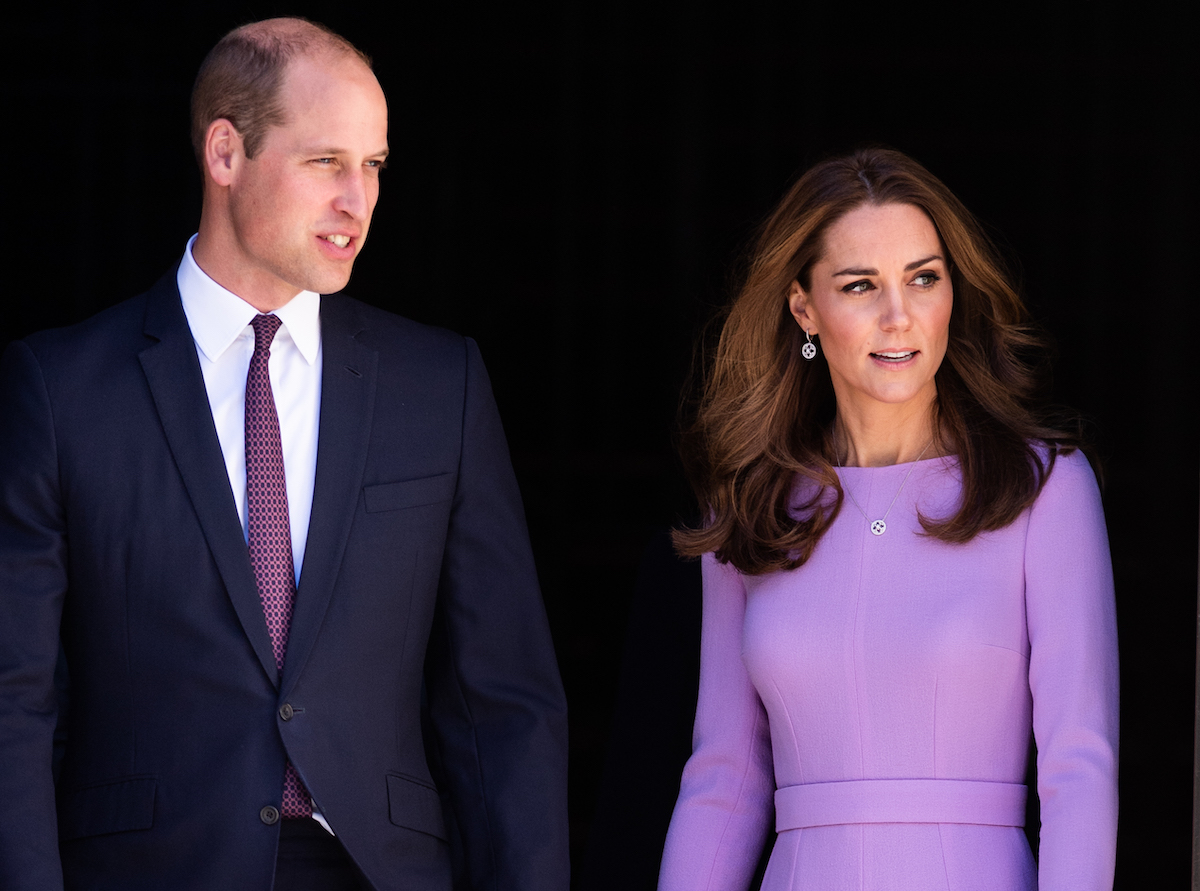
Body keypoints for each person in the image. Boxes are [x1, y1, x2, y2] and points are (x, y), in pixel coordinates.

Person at [0, 17, 568, 891]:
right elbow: (16, 699)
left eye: (374, 165)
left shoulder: (437, 384)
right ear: (225, 153)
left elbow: (505, 702)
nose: (360, 199)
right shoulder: (62, 387)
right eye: (325, 163)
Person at [657, 148, 1118, 890]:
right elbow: (724, 779)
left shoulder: (1044, 487)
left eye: (923, 278)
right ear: (803, 305)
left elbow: (1079, 764)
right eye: (861, 285)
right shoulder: (748, 506)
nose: (899, 315)